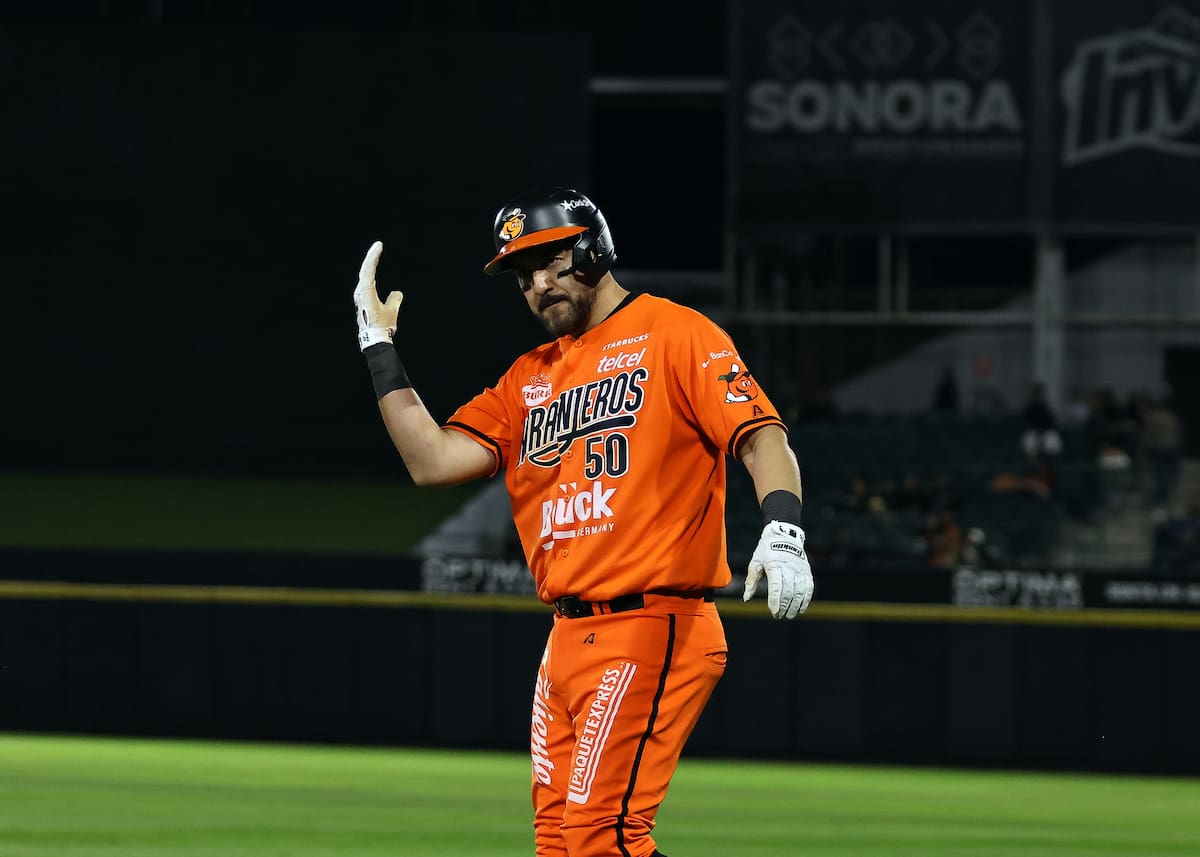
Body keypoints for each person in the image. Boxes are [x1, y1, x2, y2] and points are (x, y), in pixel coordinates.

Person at [352, 187, 813, 857]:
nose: (537, 283)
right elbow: (431, 459)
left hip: (654, 621)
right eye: (521, 272)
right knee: (559, 843)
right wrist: (376, 345)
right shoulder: (528, 377)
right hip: (567, 636)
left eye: (549, 259)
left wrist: (784, 526)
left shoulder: (674, 332)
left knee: (603, 836)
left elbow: (760, 434)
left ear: (593, 246)